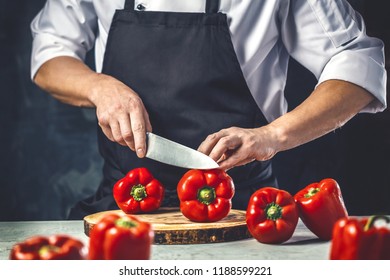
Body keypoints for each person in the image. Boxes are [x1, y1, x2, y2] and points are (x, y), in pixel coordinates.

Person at [30, 0, 387, 219]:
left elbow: (355, 58)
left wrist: (273, 135)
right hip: (123, 207)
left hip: (244, 209)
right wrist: (99, 86)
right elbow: (50, 52)